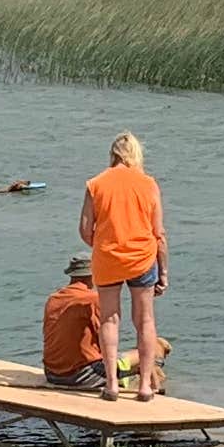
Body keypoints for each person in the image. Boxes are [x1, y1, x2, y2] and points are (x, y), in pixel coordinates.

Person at [82, 131, 169, 402]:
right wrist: (163, 272)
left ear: (113, 155)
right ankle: (144, 386)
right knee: (145, 320)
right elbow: (159, 233)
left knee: (109, 319)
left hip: (108, 258)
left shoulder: (95, 184)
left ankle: (111, 385)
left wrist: (104, 244)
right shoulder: (148, 184)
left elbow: (85, 229)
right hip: (142, 258)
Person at [40, 252, 109, 394]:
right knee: (147, 352)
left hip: (52, 374)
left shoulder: (53, 298)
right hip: (81, 375)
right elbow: (106, 341)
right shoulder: (92, 299)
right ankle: (151, 392)